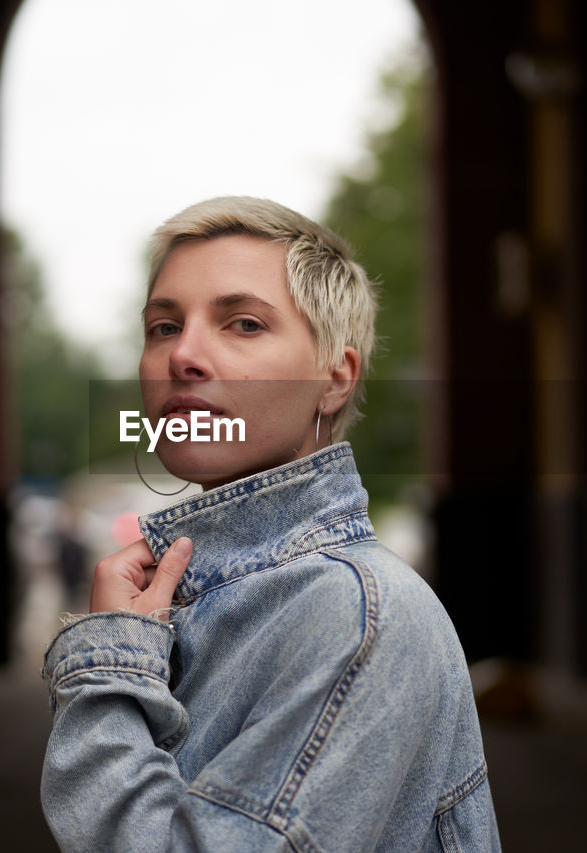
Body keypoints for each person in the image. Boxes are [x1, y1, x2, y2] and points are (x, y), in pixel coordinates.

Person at [40, 197, 500, 851]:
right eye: (164, 326)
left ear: (335, 378)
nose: (184, 356)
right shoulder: (210, 595)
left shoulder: (351, 614)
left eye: (244, 324)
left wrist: (108, 674)